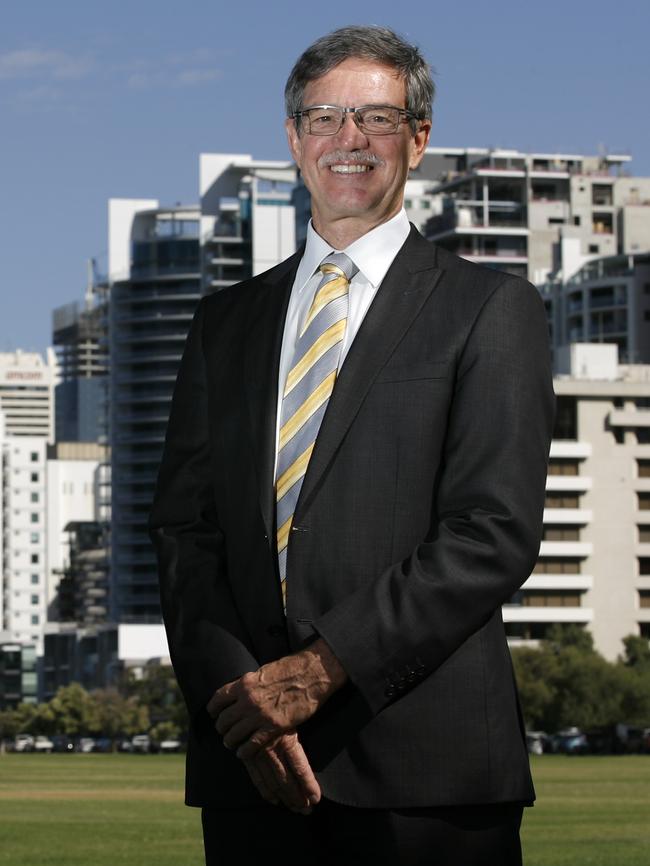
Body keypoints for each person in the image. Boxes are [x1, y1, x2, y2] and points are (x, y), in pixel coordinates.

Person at [149, 25, 555, 866]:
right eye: (327, 116)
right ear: (293, 136)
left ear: (419, 138)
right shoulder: (223, 325)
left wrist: (316, 674)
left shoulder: (491, 310)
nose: (350, 140)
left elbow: (491, 532)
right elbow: (185, 536)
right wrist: (241, 702)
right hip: (253, 774)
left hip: (428, 776)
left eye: (376, 117)